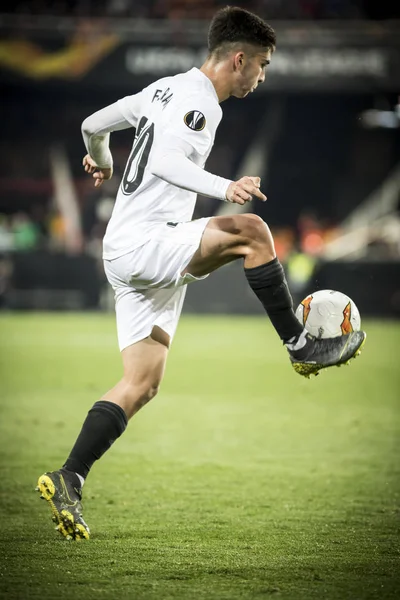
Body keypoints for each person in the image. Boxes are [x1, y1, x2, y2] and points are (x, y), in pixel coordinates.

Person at [36, 6, 366, 540]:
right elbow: (167, 160)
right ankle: (298, 343)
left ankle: (69, 475)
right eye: (261, 64)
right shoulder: (199, 103)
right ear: (239, 60)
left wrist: (102, 159)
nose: (262, 75)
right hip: (149, 244)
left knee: (141, 383)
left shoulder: (161, 89)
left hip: (129, 253)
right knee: (253, 231)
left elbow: (92, 125)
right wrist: (224, 186)